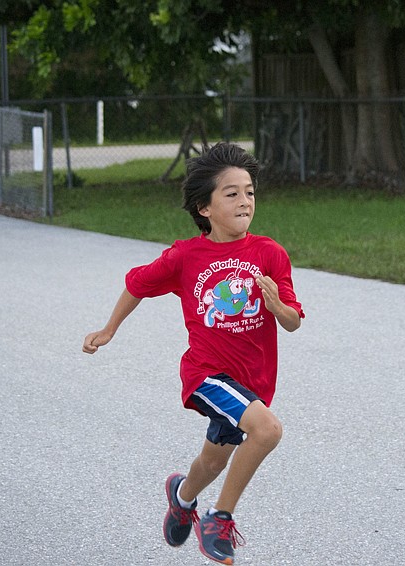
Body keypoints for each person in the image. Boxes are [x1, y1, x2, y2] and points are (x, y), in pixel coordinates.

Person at [82, 142, 304, 565]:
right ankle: (218, 519)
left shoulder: (269, 253)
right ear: (205, 207)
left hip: (252, 381)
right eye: (232, 193)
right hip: (206, 376)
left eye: (250, 191)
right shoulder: (187, 256)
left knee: (213, 460)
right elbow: (137, 283)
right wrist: (109, 329)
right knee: (268, 430)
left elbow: (293, 320)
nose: (245, 201)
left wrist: (278, 307)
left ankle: (182, 498)